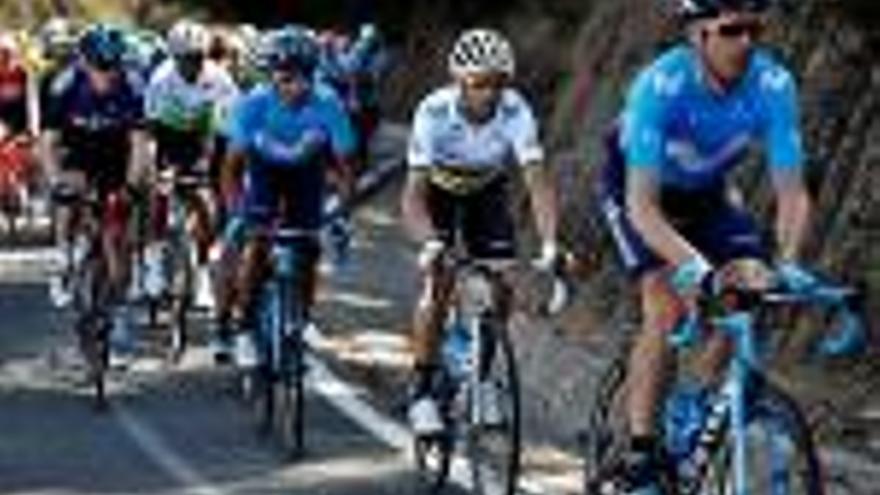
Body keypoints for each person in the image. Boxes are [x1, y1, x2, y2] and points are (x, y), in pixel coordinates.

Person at [596, 0, 814, 491]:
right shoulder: (659, 86)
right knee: (666, 305)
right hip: (637, 193)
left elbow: (792, 192)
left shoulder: (773, 84)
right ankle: (641, 450)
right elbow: (643, 209)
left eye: (754, 29)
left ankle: (696, 404)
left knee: (751, 291)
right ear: (698, 35)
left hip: (706, 196)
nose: (747, 42)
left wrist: (791, 259)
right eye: (732, 30)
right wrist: (697, 267)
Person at [401, 28, 559, 435]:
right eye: (478, 84)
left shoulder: (516, 111)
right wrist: (430, 242)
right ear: (459, 81)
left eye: (497, 84)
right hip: (437, 192)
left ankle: (482, 378)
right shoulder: (433, 112)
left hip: (485, 190)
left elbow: (537, 183)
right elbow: (413, 196)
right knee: (437, 282)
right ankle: (420, 387)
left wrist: (551, 242)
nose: (488, 93)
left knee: (502, 283)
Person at [218, 25, 356, 366]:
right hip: (263, 171)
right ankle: (245, 326)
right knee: (256, 243)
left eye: (304, 77)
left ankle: (301, 320)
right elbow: (231, 170)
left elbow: (345, 170)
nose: (295, 86)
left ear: (314, 75)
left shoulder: (328, 103)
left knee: (308, 248)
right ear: (270, 76)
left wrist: (339, 212)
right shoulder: (253, 104)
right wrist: (237, 212)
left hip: (306, 175)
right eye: (285, 78)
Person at [42, 24, 149, 364]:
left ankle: (116, 318)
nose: (107, 74)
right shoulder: (66, 84)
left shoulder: (133, 85)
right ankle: (62, 255)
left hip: (117, 156)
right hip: (78, 152)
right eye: (100, 67)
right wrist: (55, 180)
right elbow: (47, 143)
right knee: (69, 187)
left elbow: (139, 144)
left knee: (120, 240)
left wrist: (132, 186)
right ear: (84, 63)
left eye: (113, 66)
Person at [143, 19, 239, 310]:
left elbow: (233, 125)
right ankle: (156, 259)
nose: (191, 65)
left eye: (197, 58)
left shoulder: (220, 78)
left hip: (201, 137)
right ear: (173, 57)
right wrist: (153, 167)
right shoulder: (161, 79)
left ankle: (201, 274)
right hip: (167, 136)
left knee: (207, 203)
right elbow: (149, 132)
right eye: (184, 59)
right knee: (158, 192)